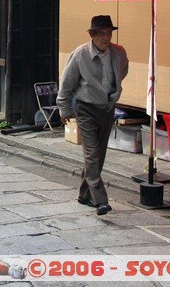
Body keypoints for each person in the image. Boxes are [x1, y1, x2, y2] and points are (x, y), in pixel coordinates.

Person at [57, 15, 129, 216]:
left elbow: (124, 70)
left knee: (99, 154)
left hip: (107, 107)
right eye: (102, 34)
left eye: (109, 33)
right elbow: (67, 84)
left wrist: (112, 90)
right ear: (92, 35)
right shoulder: (80, 55)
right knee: (91, 153)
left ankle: (84, 194)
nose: (106, 38)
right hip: (86, 108)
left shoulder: (119, 52)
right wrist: (64, 108)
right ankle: (100, 200)